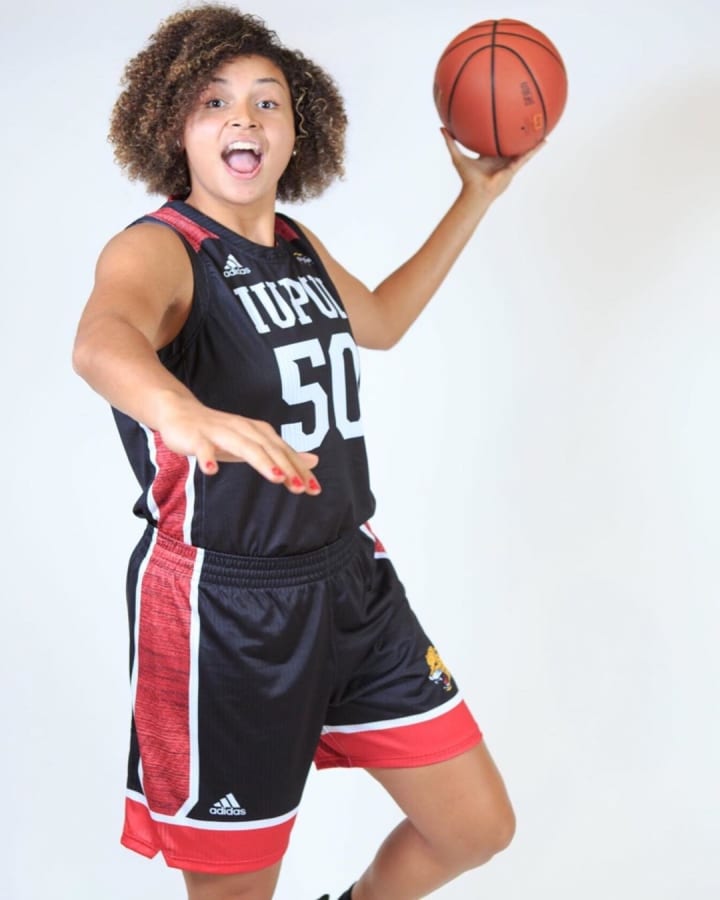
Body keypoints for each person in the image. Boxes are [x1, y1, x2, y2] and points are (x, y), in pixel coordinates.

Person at [73, 5, 540, 899]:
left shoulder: (296, 245)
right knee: (237, 889)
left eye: (268, 101)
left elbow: (384, 322)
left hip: (349, 579)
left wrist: (475, 198)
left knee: (475, 825)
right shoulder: (160, 250)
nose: (243, 117)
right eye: (214, 101)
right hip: (226, 605)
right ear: (173, 126)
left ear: (298, 131)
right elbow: (101, 341)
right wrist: (180, 411)